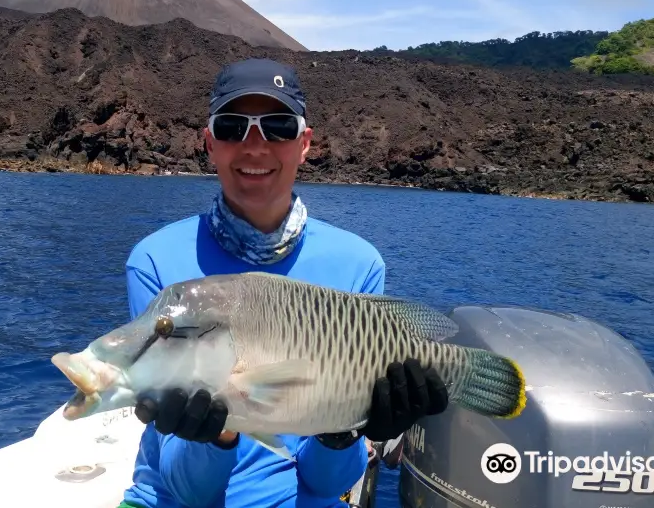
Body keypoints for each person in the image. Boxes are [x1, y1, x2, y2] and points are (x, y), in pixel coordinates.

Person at [119, 58, 448, 508]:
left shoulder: (358, 263)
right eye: (233, 127)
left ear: (304, 143)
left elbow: (325, 486)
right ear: (210, 143)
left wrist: (344, 431)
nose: (255, 146)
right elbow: (185, 490)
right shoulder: (155, 262)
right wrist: (215, 437)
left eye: (277, 126)